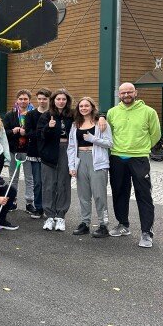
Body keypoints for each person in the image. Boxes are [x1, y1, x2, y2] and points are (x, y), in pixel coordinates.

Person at [100, 82, 161, 248]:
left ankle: (147, 232)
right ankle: (123, 224)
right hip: (117, 157)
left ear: (136, 93)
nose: (126, 95)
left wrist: (143, 147)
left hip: (139, 157)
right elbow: (108, 133)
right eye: (123, 93)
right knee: (119, 192)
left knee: (144, 194)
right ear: (119, 95)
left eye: (129, 92)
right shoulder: (112, 112)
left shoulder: (148, 112)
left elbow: (155, 134)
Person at [67, 97, 113, 238]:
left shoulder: (101, 123)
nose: (84, 108)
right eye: (81, 106)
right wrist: (72, 165)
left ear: (92, 107)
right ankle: (84, 223)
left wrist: (93, 139)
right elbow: (71, 147)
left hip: (97, 161)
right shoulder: (75, 125)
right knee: (83, 195)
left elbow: (109, 143)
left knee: (99, 195)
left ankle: (103, 225)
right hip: (81, 160)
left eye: (87, 105)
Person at [37, 89, 74, 232]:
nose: (61, 101)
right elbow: (39, 135)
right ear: (53, 100)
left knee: (63, 183)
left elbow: (89, 117)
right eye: (58, 99)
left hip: (67, 150)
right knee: (48, 184)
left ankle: (60, 216)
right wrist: (48, 127)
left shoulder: (72, 115)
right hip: (49, 153)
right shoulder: (46, 116)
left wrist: (101, 117)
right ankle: (50, 216)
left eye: (64, 99)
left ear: (67, 101)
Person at [3, 90, 36, 214]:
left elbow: (37, 131)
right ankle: (13, 200)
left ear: (29, 100)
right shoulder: (10, 115)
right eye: (20, 98)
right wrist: (13, 131)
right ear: (17, 100)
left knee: (29, 178)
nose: (23, 101)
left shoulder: (33, 114)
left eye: (25, 99)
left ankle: (29, 202)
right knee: (13, 178)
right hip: (14, 150)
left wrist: (26, 132)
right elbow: (4, 133)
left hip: (28, 151)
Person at [24, 88, 51, 219]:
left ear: (49, 99)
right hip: (35, 152)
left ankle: (49, 208)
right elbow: (28, 132)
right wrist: (45, 133)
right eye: (39, 98)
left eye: (44, 98)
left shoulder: (53, 114)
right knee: (38, 182)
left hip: (50, 152)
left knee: (50, 182)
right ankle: (39, 207)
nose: (42, 101)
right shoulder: (30, 115)